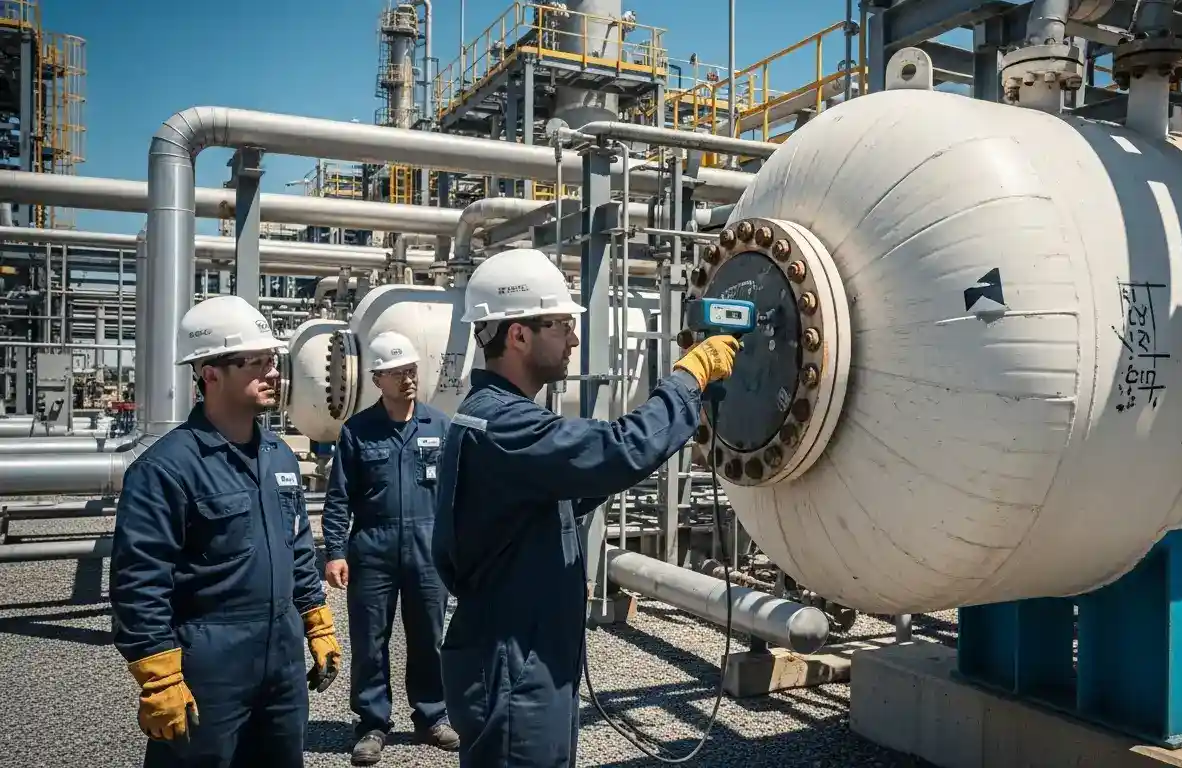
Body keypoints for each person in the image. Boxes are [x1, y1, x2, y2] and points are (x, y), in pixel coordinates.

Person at [431, 248, 741, 767]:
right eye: (561, 325)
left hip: (524, 655)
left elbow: (571, 485)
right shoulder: (505, 427)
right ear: (519, 335)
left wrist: (627, 458)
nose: (574, 338)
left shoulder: (496, 418)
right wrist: (688, 381)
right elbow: (616, 450)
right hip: (515, 666)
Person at [109, 295, 342, 767]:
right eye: (254, 362)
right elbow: (139, 581)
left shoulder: (278, 457)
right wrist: (158, 674)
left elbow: (296, 548)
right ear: (209, 372)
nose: (272, 372)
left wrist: (315, 620)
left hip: (281, 661)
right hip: (208, 667)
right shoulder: (166, 470)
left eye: (271, 359)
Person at [322, 330, 459, 765]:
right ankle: (372, 723)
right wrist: (336, 551)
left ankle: (432, 716)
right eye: (398, 372)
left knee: (429, 638)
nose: (408, 379)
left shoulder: (440, 425)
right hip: (373, 548)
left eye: (412, 370)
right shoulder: (358, 432)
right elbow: (339, 497)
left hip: (427, 548)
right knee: (369, 640)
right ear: (377, 379)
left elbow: (459, 494)